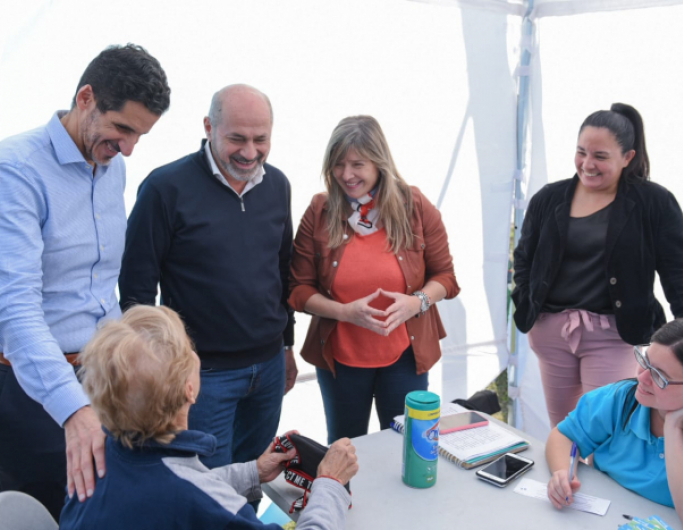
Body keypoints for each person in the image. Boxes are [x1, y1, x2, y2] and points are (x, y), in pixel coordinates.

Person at [0, 44, 170, 518]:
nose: (130, 148)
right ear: (86, 98)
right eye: (123, 128)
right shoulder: (15, 170)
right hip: (30, 389)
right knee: (45, 511)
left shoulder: (112, 167)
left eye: (141, 135)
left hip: (102, 376)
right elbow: (16, 310)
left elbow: (100, 291)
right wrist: (74, 411)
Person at [119, 84, 296, 470]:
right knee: (207, 487)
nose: (250, 152)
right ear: (208, 127)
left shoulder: (278, 186)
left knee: (255, 478)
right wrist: (160, 372)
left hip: (267, 370)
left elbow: (283, 271)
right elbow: (136, 293)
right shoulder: (165, 189)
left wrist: (287, 347)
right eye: (237, 138)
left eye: (260, 139)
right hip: (202, 378)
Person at [60, 305, 358, 530]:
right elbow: (190, 493)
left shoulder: (93, 464)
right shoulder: (199, 499)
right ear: (190, 389)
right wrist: (329, 484)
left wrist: (252, 473)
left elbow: (170, 487)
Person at [511, 103, 683, 427]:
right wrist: (529, 298)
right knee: (564, 431)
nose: (587, 164)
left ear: (627, 157)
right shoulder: (549, 198)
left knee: (607, 431)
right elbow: (524, 257)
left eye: (600, 157)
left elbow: (682, 274)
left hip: (614, 335)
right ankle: (565, 479)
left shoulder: (653, 202)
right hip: (550, 332)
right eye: (581, 152)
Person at [289, 115, 460, 443]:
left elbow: (446, 278)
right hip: (340, 358)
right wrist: (344, 312)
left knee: (403, 446)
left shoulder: (415, 206)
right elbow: (297, 289)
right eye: (338, 165)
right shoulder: (320, 210)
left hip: (406, 358)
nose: (347, 175)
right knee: (344, 447)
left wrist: (416, 302)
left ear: (379, 162)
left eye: (357, 164)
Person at [546, 315, 683, 530]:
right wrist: (563, 472)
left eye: (660, 376)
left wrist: (674, 429)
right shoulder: (622, 399)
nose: (642, 377)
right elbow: (564, 435)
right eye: (645, 361)